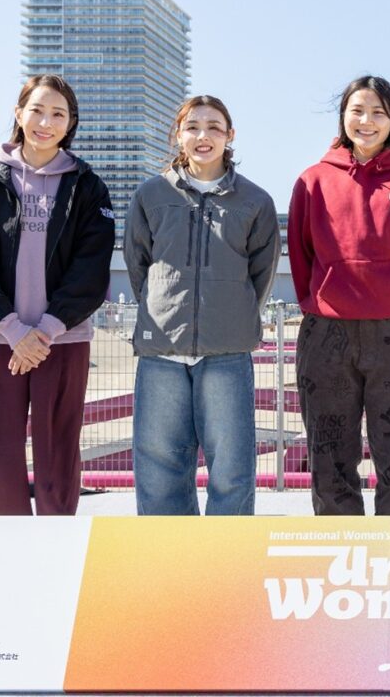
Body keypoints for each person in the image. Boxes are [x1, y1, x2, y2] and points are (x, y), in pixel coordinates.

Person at [0, 74, 114, 515]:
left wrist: (44, 331)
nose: (46, 122)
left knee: (59, 449)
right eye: (37, 110)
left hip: (62, 341)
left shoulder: (87, 186)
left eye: (58, 114)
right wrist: (12, 330)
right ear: (19, 114)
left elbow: (91, 269)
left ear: (70, 123)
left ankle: (56, 542)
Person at [124, 95, 280, 515]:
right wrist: (165, 309)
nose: (203, 135)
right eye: (192, 126)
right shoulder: (151, 195)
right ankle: (169, 554)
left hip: (227, 352)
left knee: (231, 469)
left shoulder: (255, 201)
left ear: (230, 136)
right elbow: (138, 265)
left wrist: (229, 314)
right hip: (162, 351)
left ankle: (225, 555)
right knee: (159, 468)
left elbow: (261, 274)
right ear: (178, 135)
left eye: (214, 127)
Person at [288, 75, 390, 515]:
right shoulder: (313, 181)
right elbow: (301, 255)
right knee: (329, 453)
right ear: (343, 117)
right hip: (326, 332)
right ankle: (341, 546)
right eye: (357, 111)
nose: (366, 121)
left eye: (378, 112)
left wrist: (383, 293)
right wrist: (328, 298)